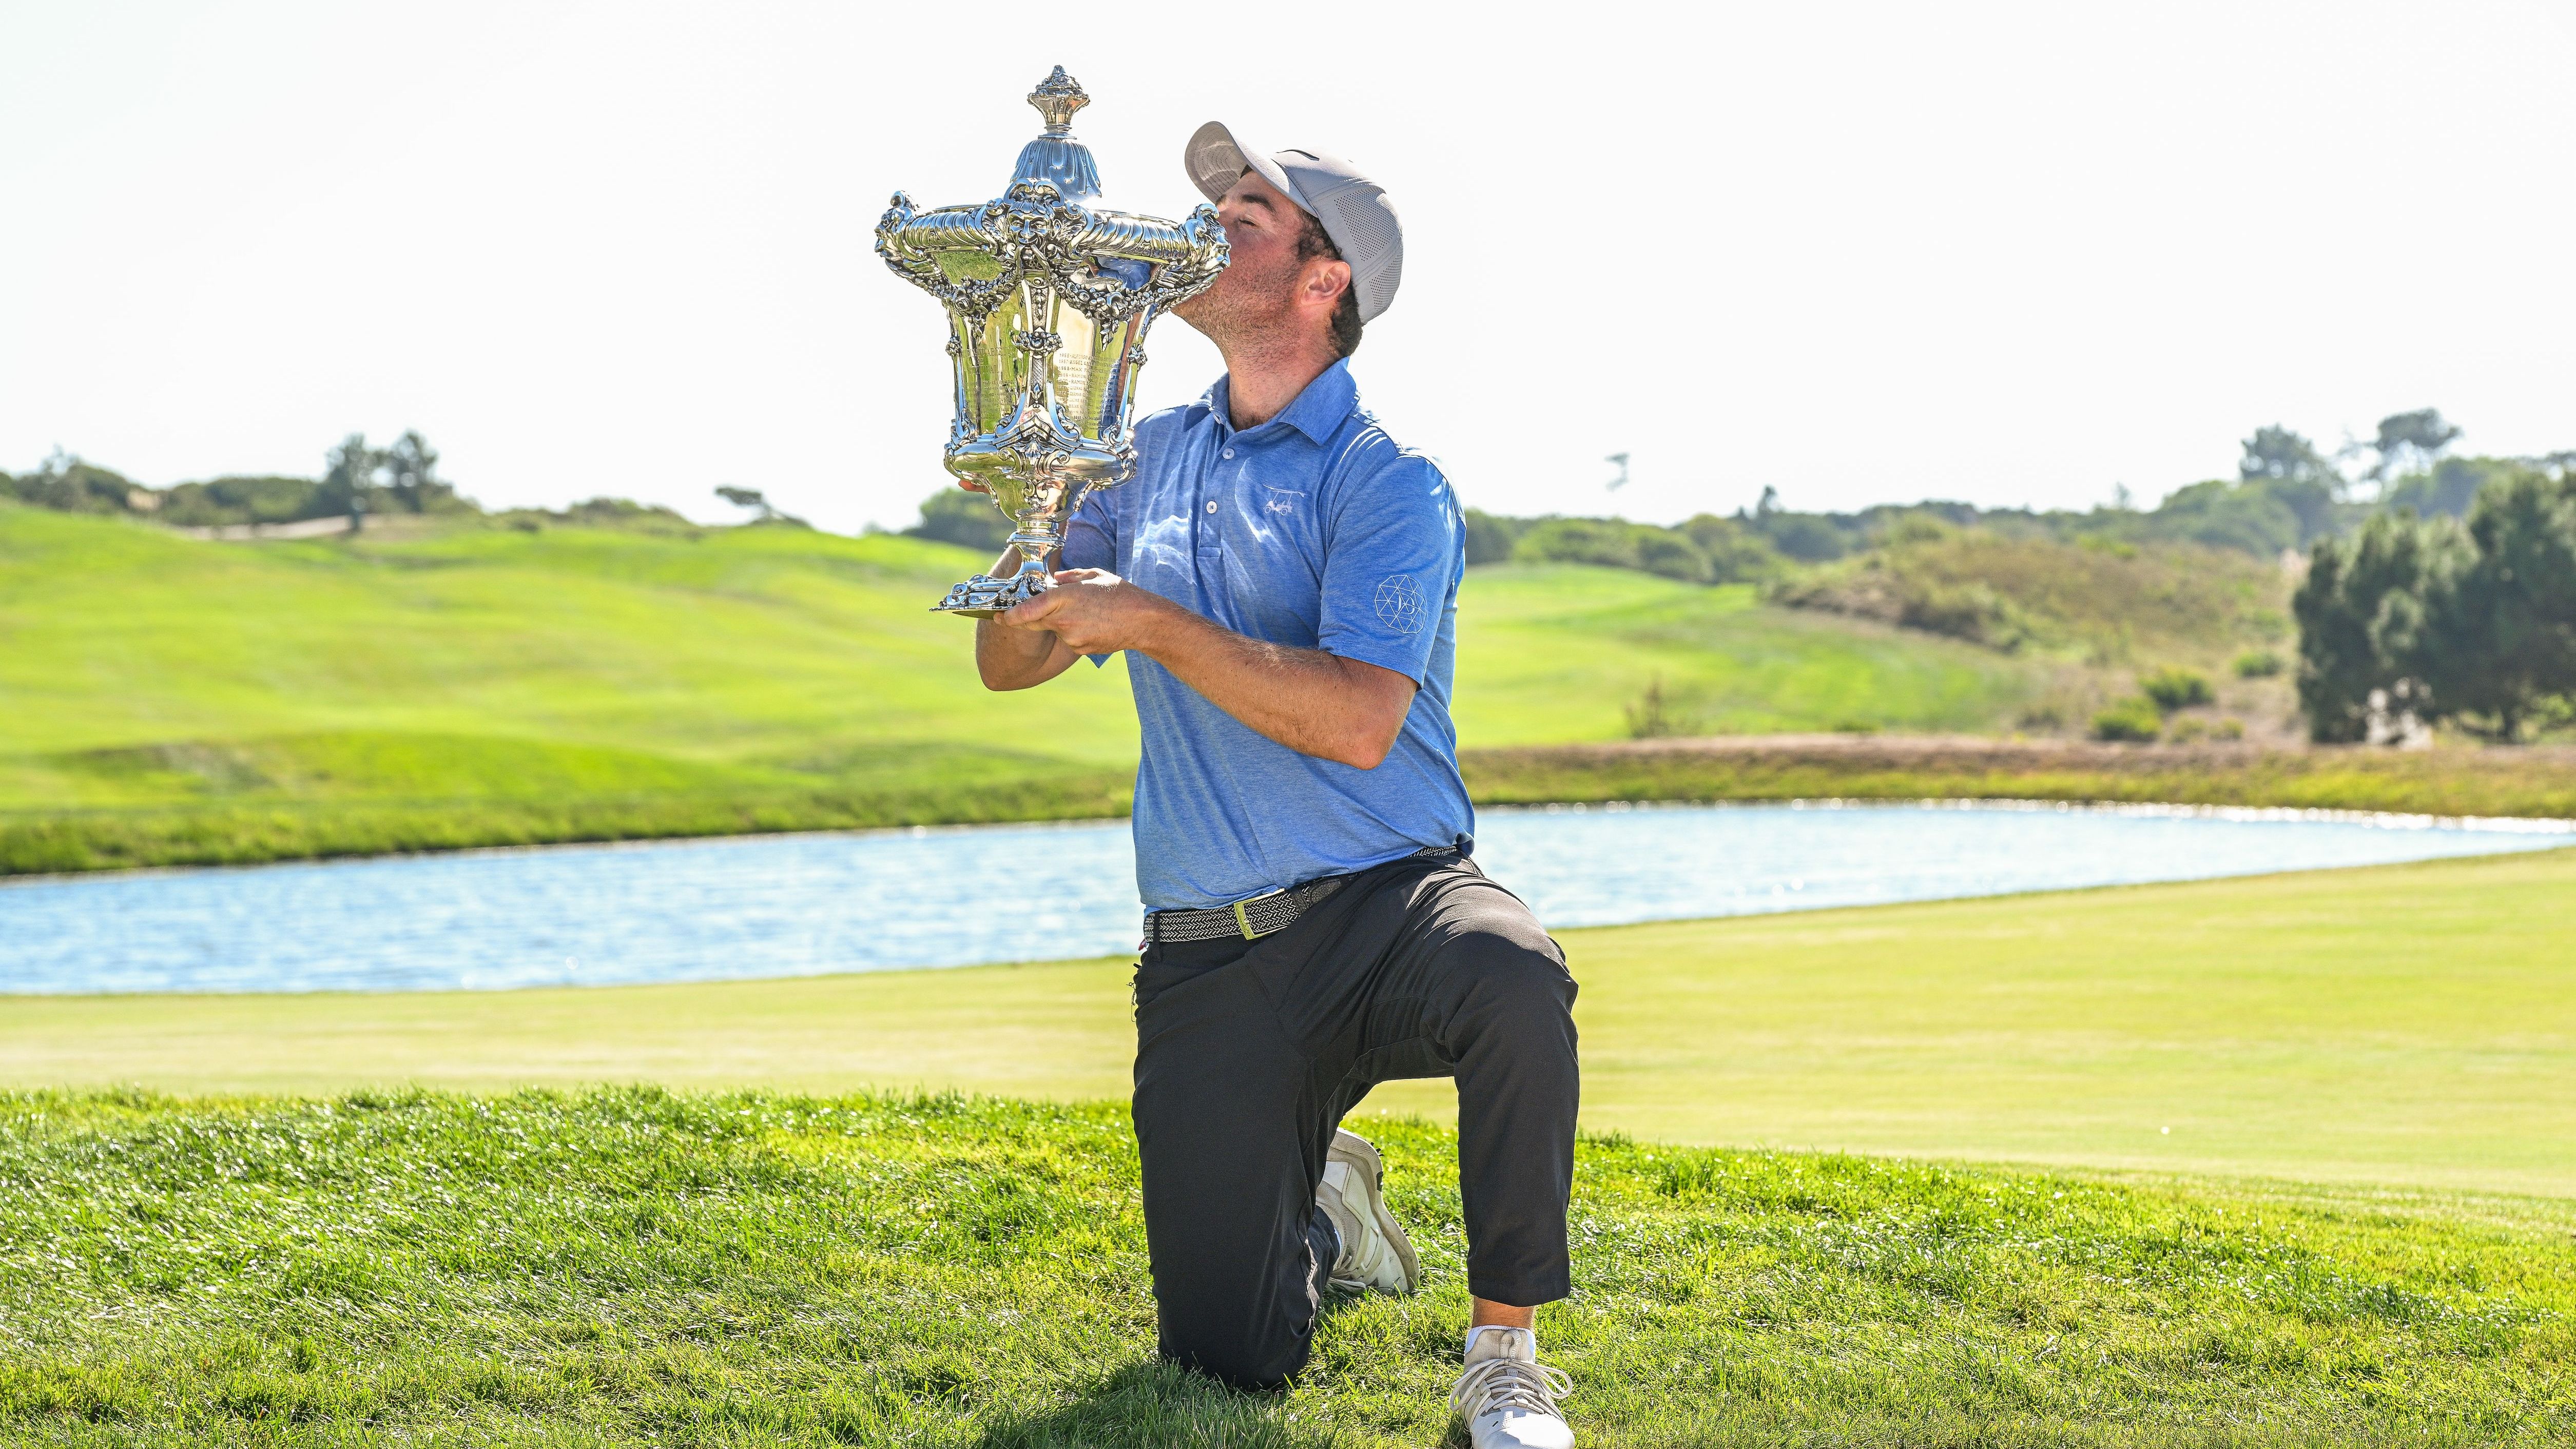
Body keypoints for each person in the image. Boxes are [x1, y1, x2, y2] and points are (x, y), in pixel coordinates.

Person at [969, 120, 1581, 1449]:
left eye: (1243, 214)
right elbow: (1006, 668)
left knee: (1514, 978)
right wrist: (1029, 532)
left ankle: (1505, 1359)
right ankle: (1324, 1206)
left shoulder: (1387, 484)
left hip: (1389, 905)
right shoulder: (1127, 455)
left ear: (1323, 283)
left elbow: (1361, 722)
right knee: (1230, 1358)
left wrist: (1148, 619)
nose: (1204, 232)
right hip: (1209, 953)